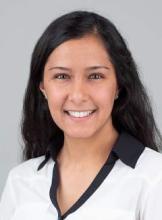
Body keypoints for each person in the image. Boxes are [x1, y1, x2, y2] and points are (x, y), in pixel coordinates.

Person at [0, 10, 162, 220]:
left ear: (119, 85)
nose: (78, 95)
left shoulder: (154, 177)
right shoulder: (20, 181)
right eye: (61, 76)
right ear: (42, 87)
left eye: (95, 76)